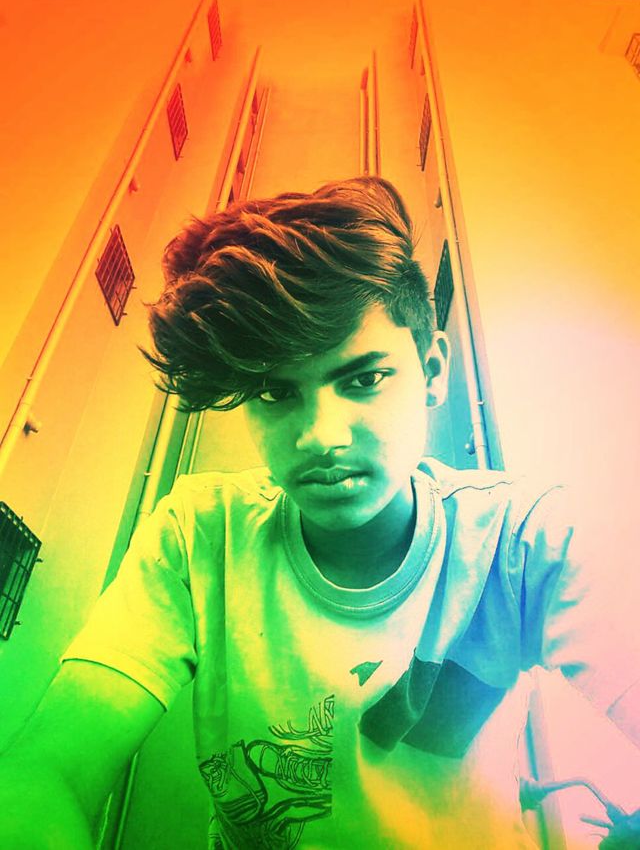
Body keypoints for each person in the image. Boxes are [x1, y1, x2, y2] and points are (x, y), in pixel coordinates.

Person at [0, 177, 638, 849]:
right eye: (277, 392)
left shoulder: (520, 542)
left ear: (432, 370)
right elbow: (42, 776)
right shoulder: (199, 537)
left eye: (364, 379)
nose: (320, 436)